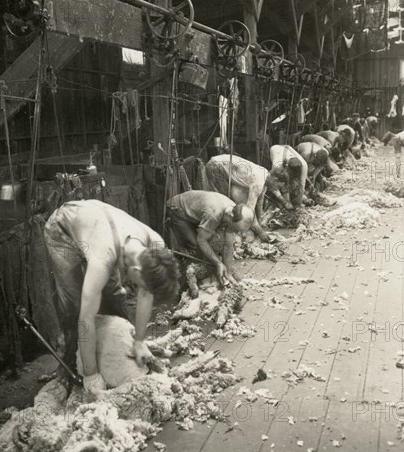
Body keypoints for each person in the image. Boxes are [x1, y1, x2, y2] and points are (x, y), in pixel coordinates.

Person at [44, 199, 179, 392]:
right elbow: (86, 319)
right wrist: (91, 376)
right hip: (63, 232)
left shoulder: (155, 243)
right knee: (75, 306)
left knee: (115, 295)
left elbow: (146, 293)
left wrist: (139, 341)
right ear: (135, 270)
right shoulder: (103, 259)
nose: (140, 289)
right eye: (140, 285)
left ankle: (121, 347)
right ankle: (72, 363)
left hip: (100, 230)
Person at [166, 190, 254, 285]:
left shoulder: (233, 212)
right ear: (230, 217)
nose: (235, 232)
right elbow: (201, 240)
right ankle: (182, 280)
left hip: (196, 211)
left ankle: (211, 272)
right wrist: (218, 263)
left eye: (238, 231)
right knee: (195, 246)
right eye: (235, 229)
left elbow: (228, 245)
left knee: (212, 247)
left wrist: (228, 273)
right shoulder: (214, 214)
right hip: (177, 209)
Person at [205, 154, 289, 242]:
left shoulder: (266, 175)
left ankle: (231, 228)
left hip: (221, 162)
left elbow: (259, 203)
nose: (276, 189)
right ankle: (220, 233)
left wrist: (259, 223)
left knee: (232, 201)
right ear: (275, 180)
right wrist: (260, 231)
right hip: (216, 165)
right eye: (278, 187)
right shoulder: (259, 182)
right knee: (225, 201)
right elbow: (249, 209)